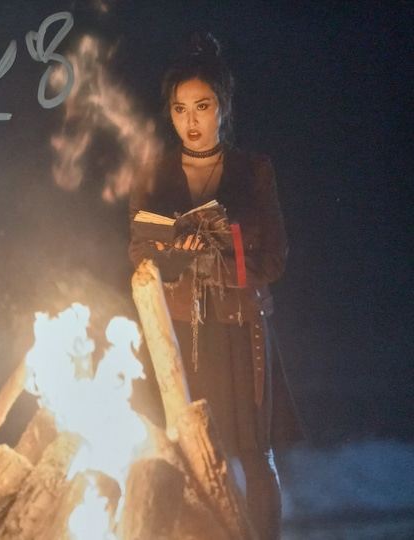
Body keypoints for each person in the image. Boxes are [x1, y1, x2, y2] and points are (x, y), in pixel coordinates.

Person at [129, 32, 300, 540]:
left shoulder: (253, 171)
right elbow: (139, 250)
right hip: (180, 330)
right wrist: (175, 254)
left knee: (253, 453)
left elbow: (275, 259)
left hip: (239, 328)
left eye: (202, 106)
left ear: (223, 106)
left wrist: (217, 259)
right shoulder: (153, 173)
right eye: (180, 109)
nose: (191, 121)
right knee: (184, 453)